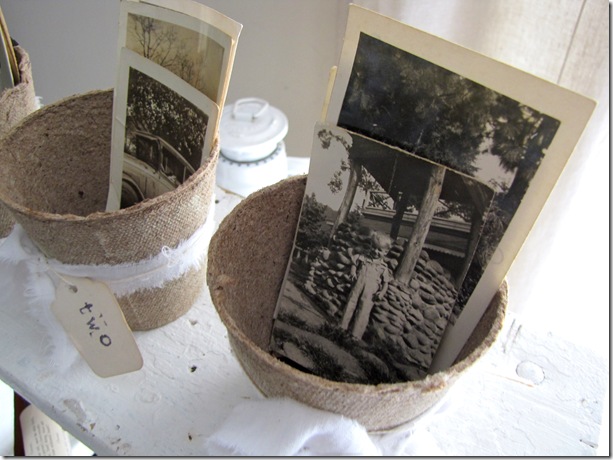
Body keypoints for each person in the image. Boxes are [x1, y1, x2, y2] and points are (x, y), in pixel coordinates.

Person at [340, 231, 393, 339]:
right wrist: (353, 272)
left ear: (385, 252)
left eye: (379, 250)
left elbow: (386, 283)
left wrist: (381, 293)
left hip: (370, 292)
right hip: (358, 285)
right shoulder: (363, 257)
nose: (375, 251)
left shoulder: (383, 267)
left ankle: (355, 335)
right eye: (374, 247)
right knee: (350, 303)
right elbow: (354, 263)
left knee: (364, 311)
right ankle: (341, 327)